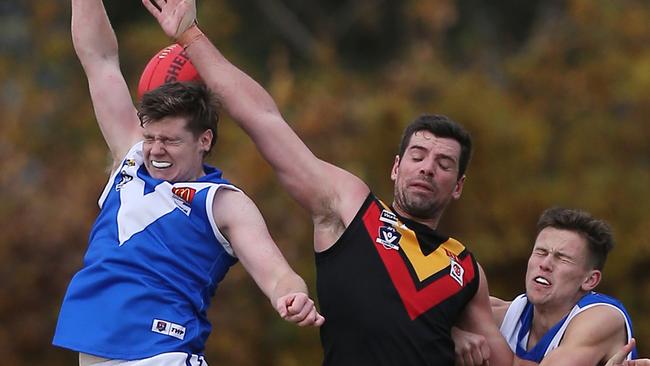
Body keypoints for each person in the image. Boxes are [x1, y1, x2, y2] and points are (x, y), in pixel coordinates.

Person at [143, 0, 514, 365]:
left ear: (459, 185)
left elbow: (505, 359)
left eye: (444, 163)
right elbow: (264, 119)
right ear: (396, 167)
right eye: (418, 156)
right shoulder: (352, 208)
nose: (428, 168)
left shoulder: (464, 268)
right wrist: (190, 35)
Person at [52, 0, 323, 365]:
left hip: (163, 355)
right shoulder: (131, 159)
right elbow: (99, 61)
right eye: (150, 138)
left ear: (204, 140)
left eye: (171, 141)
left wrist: (292, 296)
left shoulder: (221, 202)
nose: (156, 150)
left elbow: (278, 275)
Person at [453, 207, 642, 366]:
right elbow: (425, 318)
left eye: (562, 258)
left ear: (590, 280)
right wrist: (451, 334)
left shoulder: (604, 318)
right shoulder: (498, 314)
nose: (545, 264)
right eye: (541, 252)